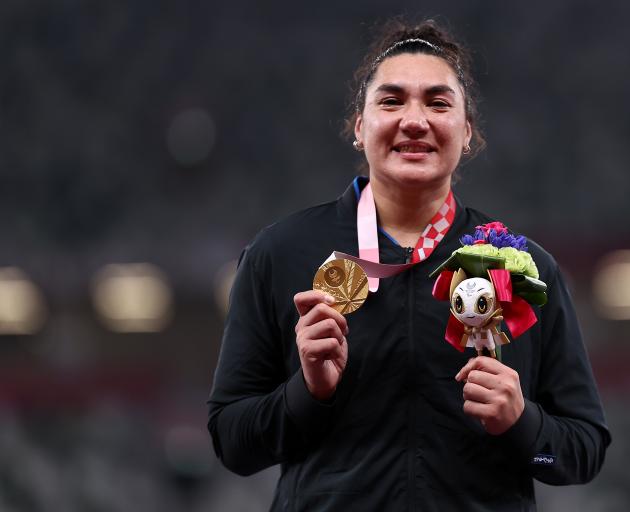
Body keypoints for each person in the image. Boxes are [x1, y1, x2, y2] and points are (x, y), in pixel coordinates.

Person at [207, 18, 610, 511]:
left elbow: (581, 455)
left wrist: (524, 424)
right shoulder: (279, 253)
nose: (414, 120)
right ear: (360, 127)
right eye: (391, 100)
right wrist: (305, 394)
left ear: (466, 133)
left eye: (438, 103)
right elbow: (233, 445)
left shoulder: (524, 268)